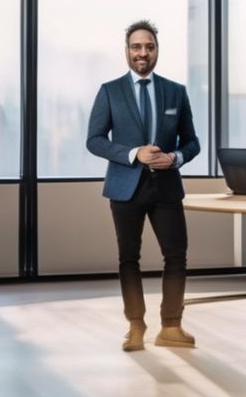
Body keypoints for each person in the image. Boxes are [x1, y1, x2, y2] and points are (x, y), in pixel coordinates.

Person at [86, 20, 201, 352]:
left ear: (156, 51)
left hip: (166, 188)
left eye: (149, 46)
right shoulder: (110, 91)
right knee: (128, 259)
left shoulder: (175, 91)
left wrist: (176, 158)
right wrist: (134, 153)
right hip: (126, 187)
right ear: (127, 51)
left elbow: (192, 142)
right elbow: (94, 141)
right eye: (136, 46)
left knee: (176, 257)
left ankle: (172, 326)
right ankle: (135, 326)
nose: (143, 53)